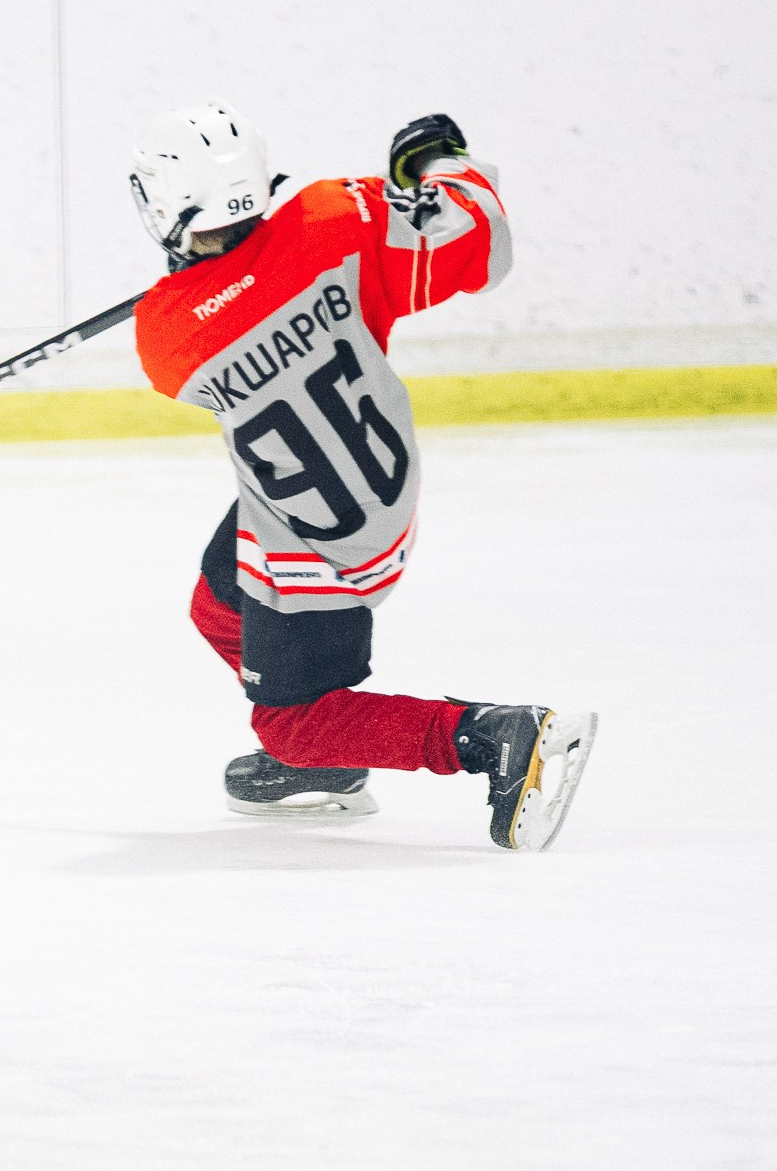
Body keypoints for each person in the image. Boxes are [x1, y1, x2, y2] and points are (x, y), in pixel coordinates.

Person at [126, 101, 596, 850]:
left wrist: (210, 273)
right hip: (371, 482)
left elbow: (227, 309)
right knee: (217, 606)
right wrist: (441, 170)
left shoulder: (165, 334)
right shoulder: (339, 221)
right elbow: (483, 244)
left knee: (292, 725)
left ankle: (492, 736)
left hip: (313, 542)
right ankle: (342, 744)